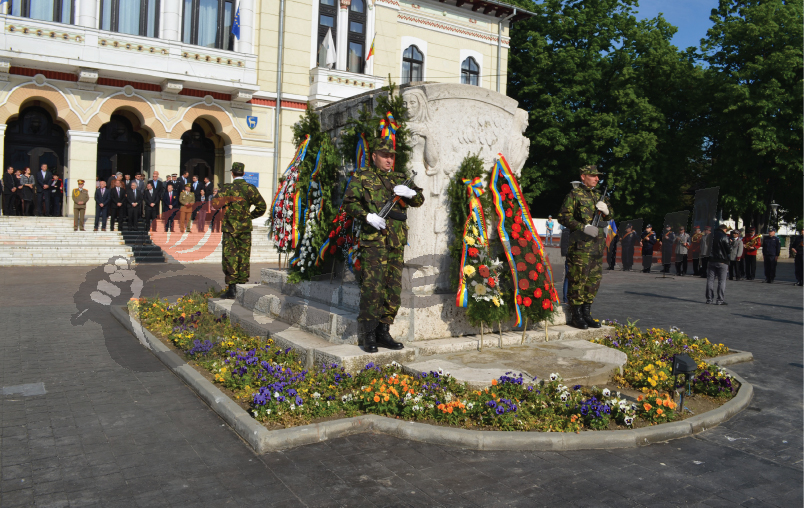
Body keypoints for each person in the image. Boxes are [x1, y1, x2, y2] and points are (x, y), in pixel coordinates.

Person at [343, 138, 425, 351]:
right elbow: (349, 203)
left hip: (396, 242)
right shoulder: (362, 176)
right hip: (374, 242)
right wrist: (367, 216)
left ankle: (383, 331)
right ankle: (368, 333)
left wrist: (411, 193)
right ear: (374, 157)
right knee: (373, 288)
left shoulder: (401, 178)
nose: (389, 160)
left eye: (391, 156)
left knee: (393, 289)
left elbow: (419, 200)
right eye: (384, 156)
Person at [557, 164, 613, 330]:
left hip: (596, 246)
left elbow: (613, 215)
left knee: (593, 281)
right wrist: (583, 227)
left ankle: (587, 313)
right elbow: (563, 216)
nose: (597, 178)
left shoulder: (600, 196)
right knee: (578, 280)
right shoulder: (574, 194)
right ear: (583, 176)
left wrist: (607, 211)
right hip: (580, 247)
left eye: (598, 176)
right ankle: (576, 315)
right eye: (593, 175)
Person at [212, 162, 267, 299]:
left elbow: (214, 204)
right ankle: (242, 286)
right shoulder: (250, 188)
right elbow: (262, 207)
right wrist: (249, 216)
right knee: (243, 255)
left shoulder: (227, 188)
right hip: (245, 229)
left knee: (230, 256)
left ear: (232, 173)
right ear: (243, 173)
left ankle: (232, 289)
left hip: (230, 228)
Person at [706, 224, 730, 305]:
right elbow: (728, 250)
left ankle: (709, 299)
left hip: (711, 260)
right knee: (722, 281)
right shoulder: (724, 236)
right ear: (724, 229)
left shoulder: (710, 236)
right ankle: (720, 300)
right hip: (722, 260)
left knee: (710, 280)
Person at [560, 224, 570, 302]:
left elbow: (563, 244)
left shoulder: (565, 230)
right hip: (576, 257)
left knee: (567, 278)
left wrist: (565, 254)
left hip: (568, 256)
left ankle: (566, 299)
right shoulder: (578, 230)